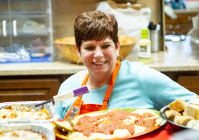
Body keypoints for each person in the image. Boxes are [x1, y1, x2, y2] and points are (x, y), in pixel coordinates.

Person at [55, 10, 197, 119]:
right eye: (89, 48)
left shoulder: (142, 77)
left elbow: (194, 105)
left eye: (105, 46)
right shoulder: (68, 88)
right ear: (78, 51)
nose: (98, 54)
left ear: (117, 47)